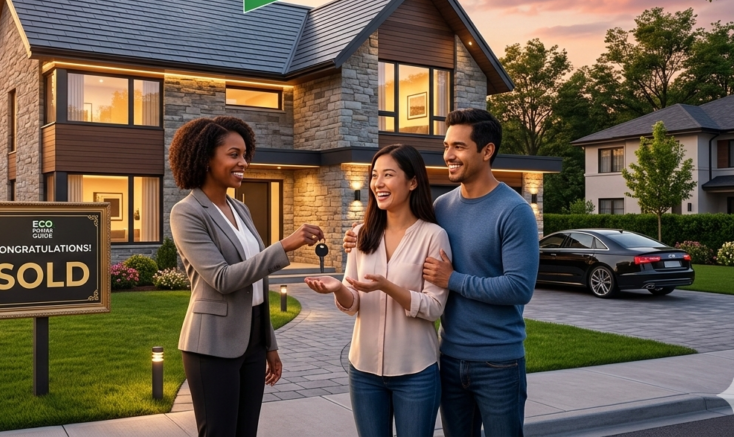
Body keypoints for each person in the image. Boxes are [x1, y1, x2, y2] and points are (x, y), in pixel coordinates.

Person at [344, 108, 539, 436]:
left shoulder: (515, 211)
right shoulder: (442, 208)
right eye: (447, 146)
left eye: (459, 147)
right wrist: (359, 235)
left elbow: (520, 288)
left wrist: (454, 280)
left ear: (487, 151)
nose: (448, 155)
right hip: (448, 357)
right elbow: (404, 229)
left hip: (498, 362)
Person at [168, 116, 325, 437]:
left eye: (245, 154)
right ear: (206, 158)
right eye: (234, 154)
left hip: (252, 340)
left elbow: (256, 282)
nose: (244, 162)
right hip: (211, 345)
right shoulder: (187, 212)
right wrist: (285, 245)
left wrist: (269, 343)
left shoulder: (240, 209)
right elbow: (223, 278)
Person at [305, 144, 451, 437]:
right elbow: (353, 300)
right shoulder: (361, 234)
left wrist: (387, 287)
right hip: (364, 370)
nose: (378, 183)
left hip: (416, 371)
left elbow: (434, 307)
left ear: (412, 182)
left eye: (388, 175)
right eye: (374, 175)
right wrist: (337, 289)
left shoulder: (433, 236)